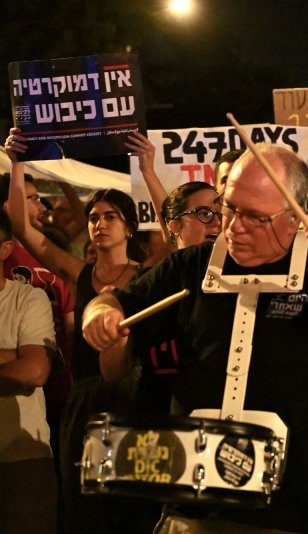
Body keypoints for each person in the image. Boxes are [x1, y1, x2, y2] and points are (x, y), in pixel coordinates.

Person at [82, 143, 308, 533]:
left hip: (297, 505)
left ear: (292, 218)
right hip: (195, 501)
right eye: (229, 207)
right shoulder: (194, 264)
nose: (233, 226)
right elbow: (113, 307)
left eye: (255, 217)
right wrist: (102, 315)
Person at [5, 129, 142, 533]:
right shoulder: (80, 273)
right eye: (94, 217)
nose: (100, 224)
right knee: (82, 504)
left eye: (111, 217)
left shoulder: (148, 277)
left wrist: (148, 168)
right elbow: (22, 228)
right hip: (83, 401)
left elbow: (176, 243)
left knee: (127, 502)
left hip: (130, 399)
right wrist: (16, 163)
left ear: (130, 227)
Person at [0, 209, 58, 534]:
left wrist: (23, 361)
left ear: (5, 249)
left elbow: (34, 371)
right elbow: (23, 366)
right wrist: (11, 357)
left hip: (22, 459)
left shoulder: (29, 298)